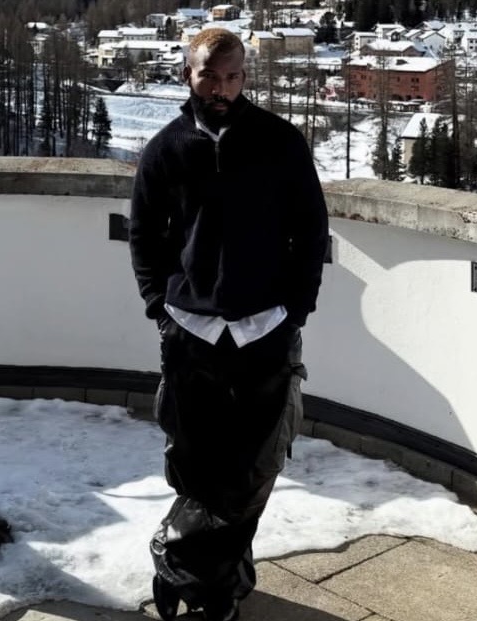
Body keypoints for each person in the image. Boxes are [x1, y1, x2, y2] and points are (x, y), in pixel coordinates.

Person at [129, 28, 328, 621]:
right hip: (190, 331)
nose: (222, 88)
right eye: (211, 77)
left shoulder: (279, 141)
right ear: (188, 76)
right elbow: (145, 235)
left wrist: (295, 310)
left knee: (255, 467)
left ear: (245, 77)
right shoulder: (165, 149)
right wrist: (159, 307)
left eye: (234, 77)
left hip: (264, 328)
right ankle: (220, 590)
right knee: (195, 468)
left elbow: (310, 231)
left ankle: (178, 561)